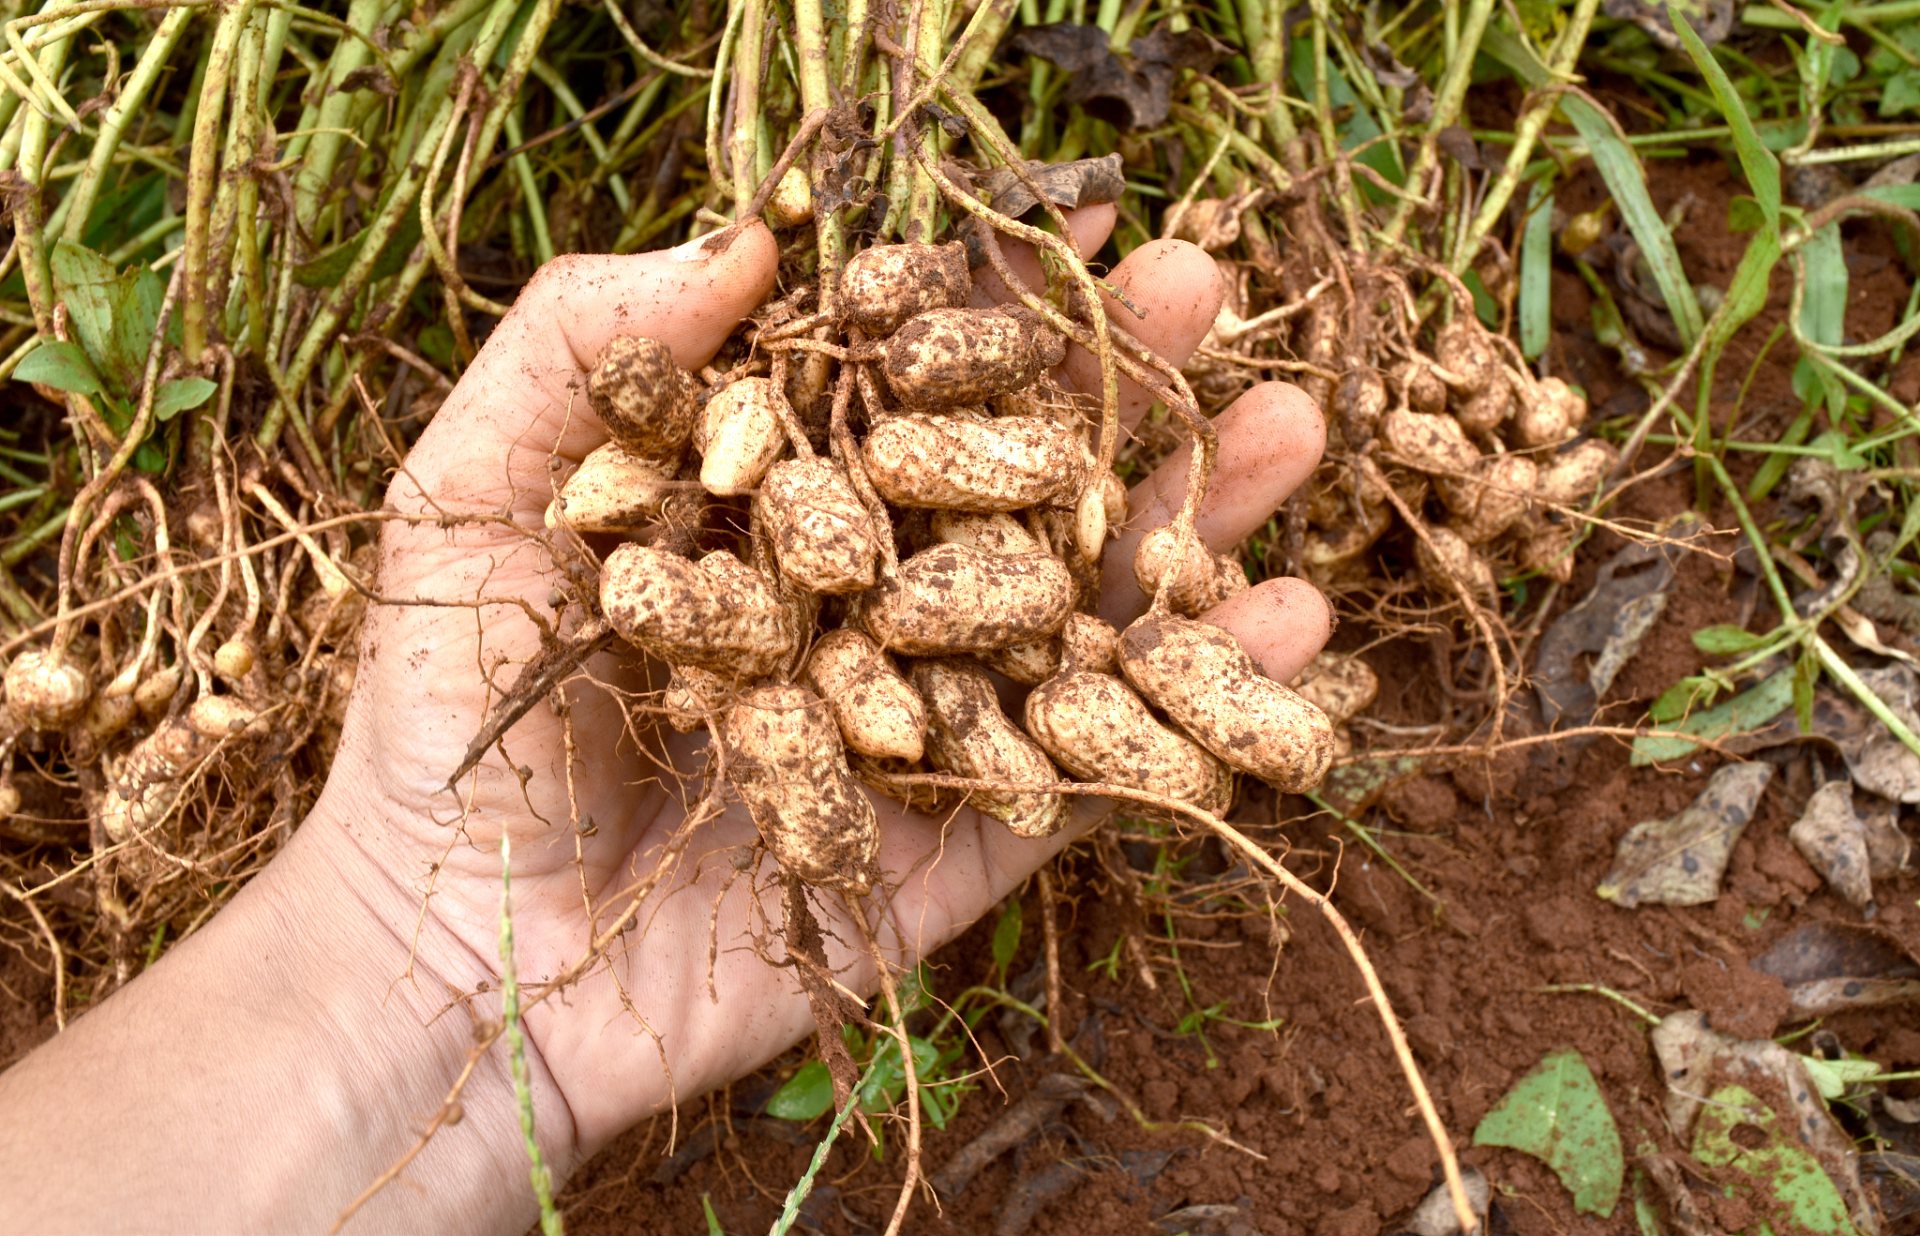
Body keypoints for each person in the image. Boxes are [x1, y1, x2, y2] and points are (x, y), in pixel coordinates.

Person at [0, 210, 1329, 1233]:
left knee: (993, 528)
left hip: (916, 531)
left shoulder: (914, 484)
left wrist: (391, 977)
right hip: (839, 545)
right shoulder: (741, 488)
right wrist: (411, 944)